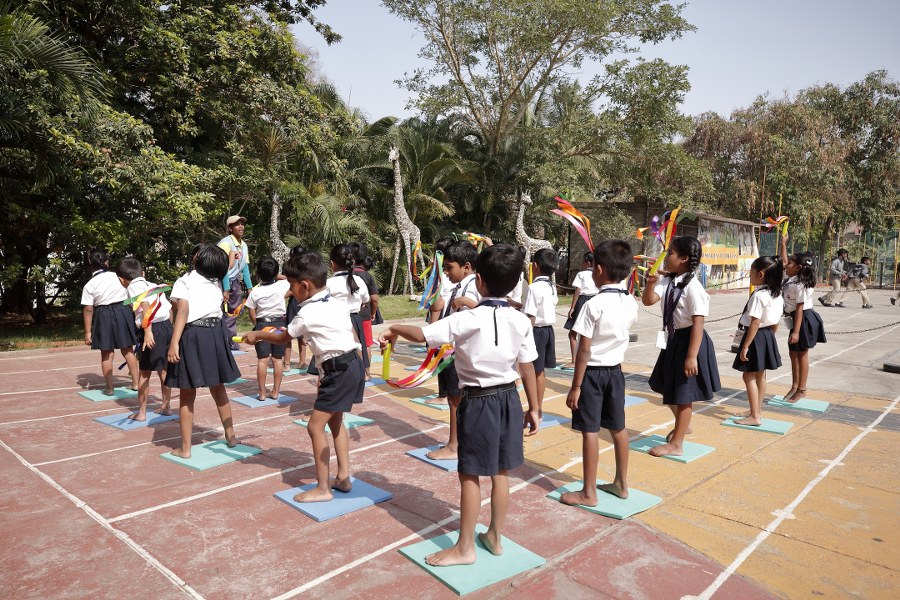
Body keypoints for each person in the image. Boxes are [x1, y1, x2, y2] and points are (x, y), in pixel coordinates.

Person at [379, 243, 539, 566]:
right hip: (510, 399)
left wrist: (393, 327)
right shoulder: (521, 320)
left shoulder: (468, 319)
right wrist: (535, 408)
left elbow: (423, 335)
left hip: (478, 402)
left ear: (478, 279)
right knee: (501, 472)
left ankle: (465, 547)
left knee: (470, 474)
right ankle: (494, 537)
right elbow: (528, 367)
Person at [242, 251, 365, 502]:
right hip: (352, 364)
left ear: (305, 286)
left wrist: (258, 334)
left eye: (291, 285)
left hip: (338, 370)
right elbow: (352, 335)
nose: (290, 290)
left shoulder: (306, 313)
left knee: (315, 426)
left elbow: (282, 338)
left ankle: (323, 488)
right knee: (336, 422)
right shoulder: (335, 302)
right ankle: (343, 477)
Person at [560, 240, 637, 506]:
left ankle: (588, 492)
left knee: (590, 431)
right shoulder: (630, 302)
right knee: (618, 428)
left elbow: (584, 350)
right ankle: (622, 484)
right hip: (615, 372)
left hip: (592, 375)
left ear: (600, 270)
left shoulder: (593, 304)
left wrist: (576, 387)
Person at [642, 236, 721, 457]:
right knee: (663, 385)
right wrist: (650, 284)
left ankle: (676, 444)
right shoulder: (669, 281)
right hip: (673, 339)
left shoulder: (693, 288)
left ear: (684, 258)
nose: (667, 257)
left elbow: (698, 323)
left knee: (683, 394)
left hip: (690, 341)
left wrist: (691, 356)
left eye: (671, 254)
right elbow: (648, 300)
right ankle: (683, 425)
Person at [165, 244, 241, 459]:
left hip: (192, 335)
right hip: (215, 334)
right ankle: (231, 437)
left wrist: (174, 342)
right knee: (218, 387)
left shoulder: (185, 281)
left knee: (187, 392)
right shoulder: (215, 284)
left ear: (197, 260)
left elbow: (183, 311)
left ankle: (186, 449)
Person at [424, 240, 481, 462]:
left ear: (466, 267)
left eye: (449, 267)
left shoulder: (472, 287)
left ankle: (455, 445)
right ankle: (459, 442)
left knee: (456, 400)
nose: (446, 272)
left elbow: (486, 312)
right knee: (455, 399)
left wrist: (467, 302)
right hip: (453, 350)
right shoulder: (459, 286)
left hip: (461, 352)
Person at [115, 257, 173, 420]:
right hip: (166, 326)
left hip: (151, 328)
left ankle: (141, 413)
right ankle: (166, 407)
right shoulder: (153, 285)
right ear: (143, 273)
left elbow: (145, 306)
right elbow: (169, 310)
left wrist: (148, 332)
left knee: (144, 373)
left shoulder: (133, 287)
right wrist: (169, 330)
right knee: (163, 370)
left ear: (121, 280)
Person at [732, 256, 784, 425]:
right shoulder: (777, 294)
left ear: (761, 274)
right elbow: (776, 321)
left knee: (748, 376)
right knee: (761, 375)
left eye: (751, 272)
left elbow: (755, 322)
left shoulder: (759, 295)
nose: (750, 275)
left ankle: (755, 416)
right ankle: (756, 410)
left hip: (755, 336)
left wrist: (745, 346)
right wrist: (770, 338)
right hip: (767, 334)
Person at [81, 248, 139, 395]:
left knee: (106, 353)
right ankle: (136, 383)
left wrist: (87, 332)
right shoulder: (118, 276)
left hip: (103, 314)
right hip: (123, 310)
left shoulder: (89, 285)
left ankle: (110, 388)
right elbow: (132, 294)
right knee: (128, 349)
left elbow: (88, 309)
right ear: (106, 262)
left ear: (90, 264)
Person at [779, 235, 827, 404]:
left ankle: (802, 389)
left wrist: (796, 332)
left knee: (802, 355)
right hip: (795, 319)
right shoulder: (791, 278)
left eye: (790, 263)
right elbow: (784, 261)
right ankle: (794, 386)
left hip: (804, 320)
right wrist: (783, 244)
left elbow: (800, 308)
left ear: (798, 268)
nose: (786, 265)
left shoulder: (800, 284)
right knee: (793, 354)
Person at [246, 256, 291, 400]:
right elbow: (291, 278)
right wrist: (276, 274)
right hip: (279, 324)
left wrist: (257, 326)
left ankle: (262, 393)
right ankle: (276, 391)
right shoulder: (282, 285)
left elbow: (251, 313)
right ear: (276, 273)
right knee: (278, 359)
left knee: (262, 360)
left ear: (258, 273)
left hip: (262, 324)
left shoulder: (255, 292)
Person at [523, 248, 559, 418]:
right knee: (540, 371)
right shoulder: (551, 287)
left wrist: (525, 337)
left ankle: (535, 409)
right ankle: (538, 408)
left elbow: (531, 315)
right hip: (548, 331)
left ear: (535, 266)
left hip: (536, 331)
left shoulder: (534, 287)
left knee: (532, 370)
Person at [327, 244, 371, 377]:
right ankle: (361, 376)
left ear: (332, 264)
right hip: (355, 320)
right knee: (357, 351)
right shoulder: (358, 281)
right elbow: (366, 299)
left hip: (336, 321)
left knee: (337, 355)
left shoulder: (329, 283)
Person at [218, 215, 253, 348]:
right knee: (223, 313)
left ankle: (230, 341)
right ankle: (225, 342)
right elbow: (223, 268)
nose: (241, 227)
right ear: (230, 228)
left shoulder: (244, 245)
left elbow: (245, 267)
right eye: (237, 224)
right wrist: (226, 289)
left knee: (234, 312)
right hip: (223, 282)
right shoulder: (225, 244)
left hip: (235, 283)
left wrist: (249, 287)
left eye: (242, 224)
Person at [563, 252, 600, 368]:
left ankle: (574, 361)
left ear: (587, 262)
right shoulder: (597, 273)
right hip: (595, 300)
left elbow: (578, 291)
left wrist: (572, 308)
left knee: (573, 333)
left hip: (583, 301)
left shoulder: (581, 274)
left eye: (583, 261)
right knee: (592, 332)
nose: (581, 263)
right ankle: (591, 360)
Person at [350, 241, 381, 352]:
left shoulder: (346, 275)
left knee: (352, 344)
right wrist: (373, 313)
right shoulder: (368, 276)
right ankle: (367, 364)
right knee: (367, 343)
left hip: (348, 315)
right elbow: (374, 299)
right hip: (364, 314)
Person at [283, 246, 308, 371]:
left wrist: (282, 296)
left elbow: (293, 288)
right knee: (299, 334)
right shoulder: (307, 268)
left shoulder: (295, 269)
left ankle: (288, 364)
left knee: (290, 333)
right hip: (302, 301)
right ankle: (300, 362)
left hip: (296, 302)